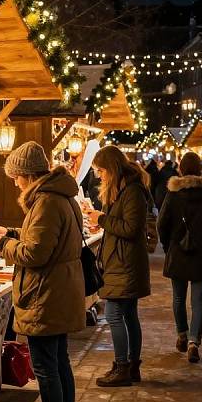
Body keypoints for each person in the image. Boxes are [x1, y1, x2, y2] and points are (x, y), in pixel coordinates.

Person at [0, 141, 84, 402]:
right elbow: (44, 239)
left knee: (45, 365)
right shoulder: (59, 197)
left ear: (27, 175)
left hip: (46, 293)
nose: (15, 183)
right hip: (59, 289)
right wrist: (11, 233)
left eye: (16, 177)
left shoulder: (47, 201)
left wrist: (1, 245)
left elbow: (35, 254)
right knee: (59, 360)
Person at [85, 146, 150, 387]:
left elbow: (131, 228)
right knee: (129, 315)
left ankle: (123, 366)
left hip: (125, 263)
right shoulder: (123, 190)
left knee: (114, 315)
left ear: (112, 168)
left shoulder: (132, 191)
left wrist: (101, 219)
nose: (99, 175)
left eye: (101, 170)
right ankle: (132, 366)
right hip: (122, 261)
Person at [157, 152, 202, 363]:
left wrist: (168, 243)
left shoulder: (173, 194)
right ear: (199, 169)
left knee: (178, 298)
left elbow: (162, 223)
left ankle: (182, 334)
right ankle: (194, 342)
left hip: (178, 251)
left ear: (181, 169)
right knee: (198, 301)